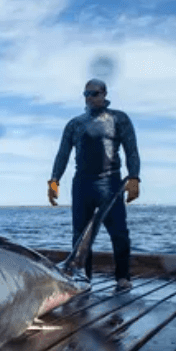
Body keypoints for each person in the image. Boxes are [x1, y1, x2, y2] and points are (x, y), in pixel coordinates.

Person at [48, 78, 140, 290]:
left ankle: (123, 277)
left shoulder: (119, 118)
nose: (90, 97)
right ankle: (82, 278)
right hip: (82, 183)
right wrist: (54, 180)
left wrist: (134, 177)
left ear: (104, 93)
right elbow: (62, 154)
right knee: (80, 234)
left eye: (94, 93)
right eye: (86, 94)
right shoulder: (74, 123)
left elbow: (131, 150)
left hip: (111, 182)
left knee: (119, 232)